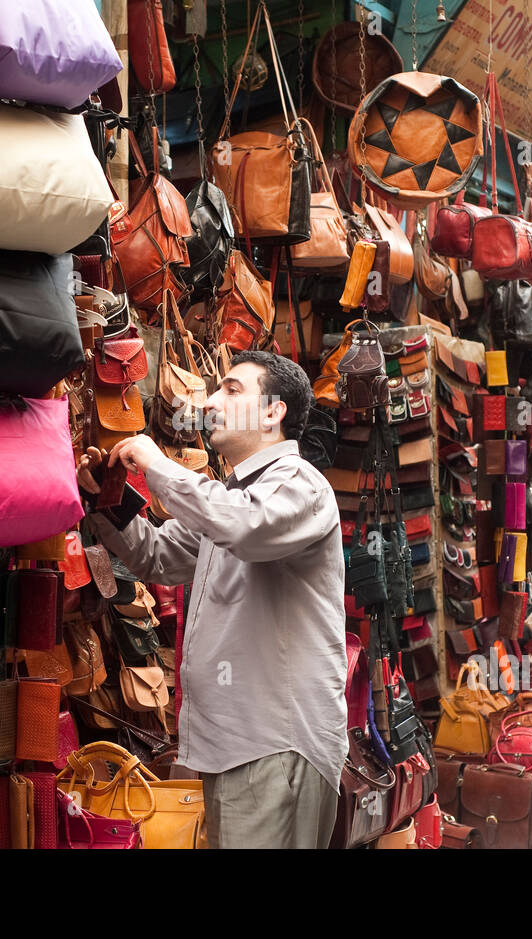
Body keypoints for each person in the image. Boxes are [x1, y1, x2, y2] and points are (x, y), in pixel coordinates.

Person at [78, 350, 348, 848]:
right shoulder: (232, 497)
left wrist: (157, 463)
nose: (212, 402)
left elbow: (241, 526)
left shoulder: (300, 484)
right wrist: (104, 500)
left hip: (275, 743)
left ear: (273, 412)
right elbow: (157, 554)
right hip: (235, 745)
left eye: (232, 390)